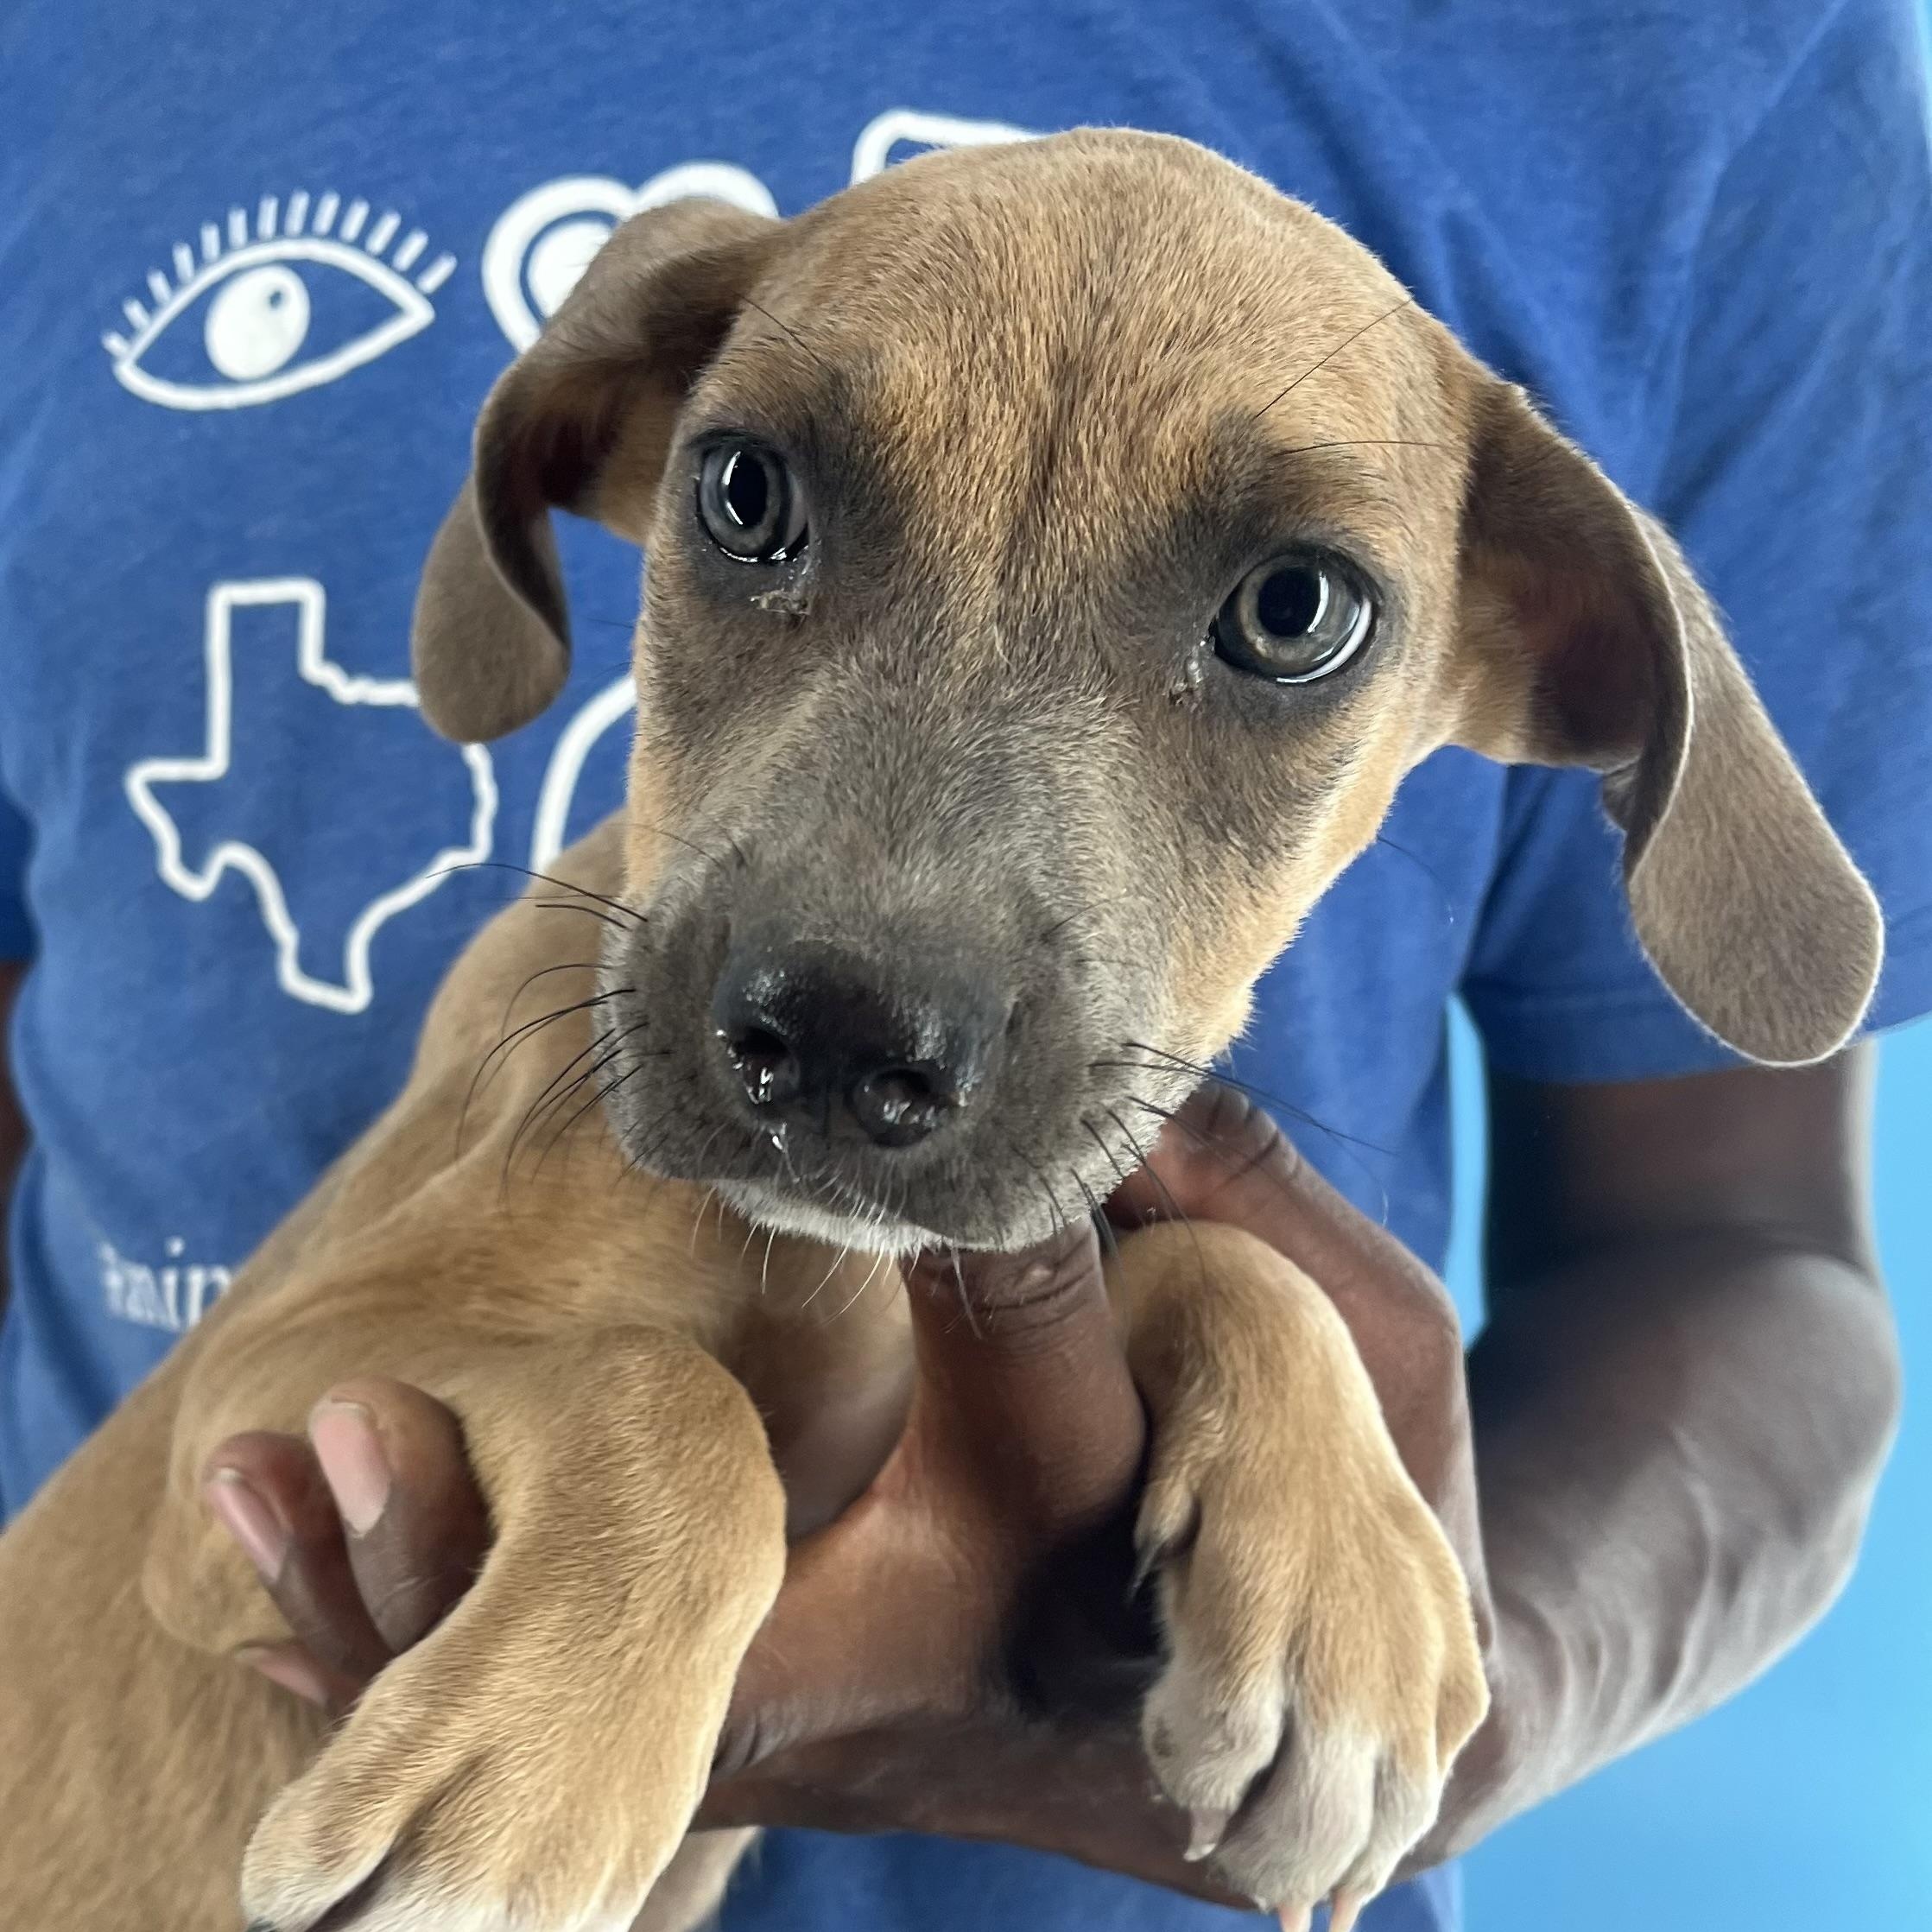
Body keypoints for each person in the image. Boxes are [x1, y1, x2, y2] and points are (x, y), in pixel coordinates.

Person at [2, 2, 1929, 1927]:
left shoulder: (1715, 63)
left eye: (1285, 616)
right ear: (615, 452)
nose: (885, 929)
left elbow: (1745, 1258)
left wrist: (1456, 1687)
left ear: (1536, 646)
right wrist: (641, 1498)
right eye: (756, 506)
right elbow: (211, 1481)